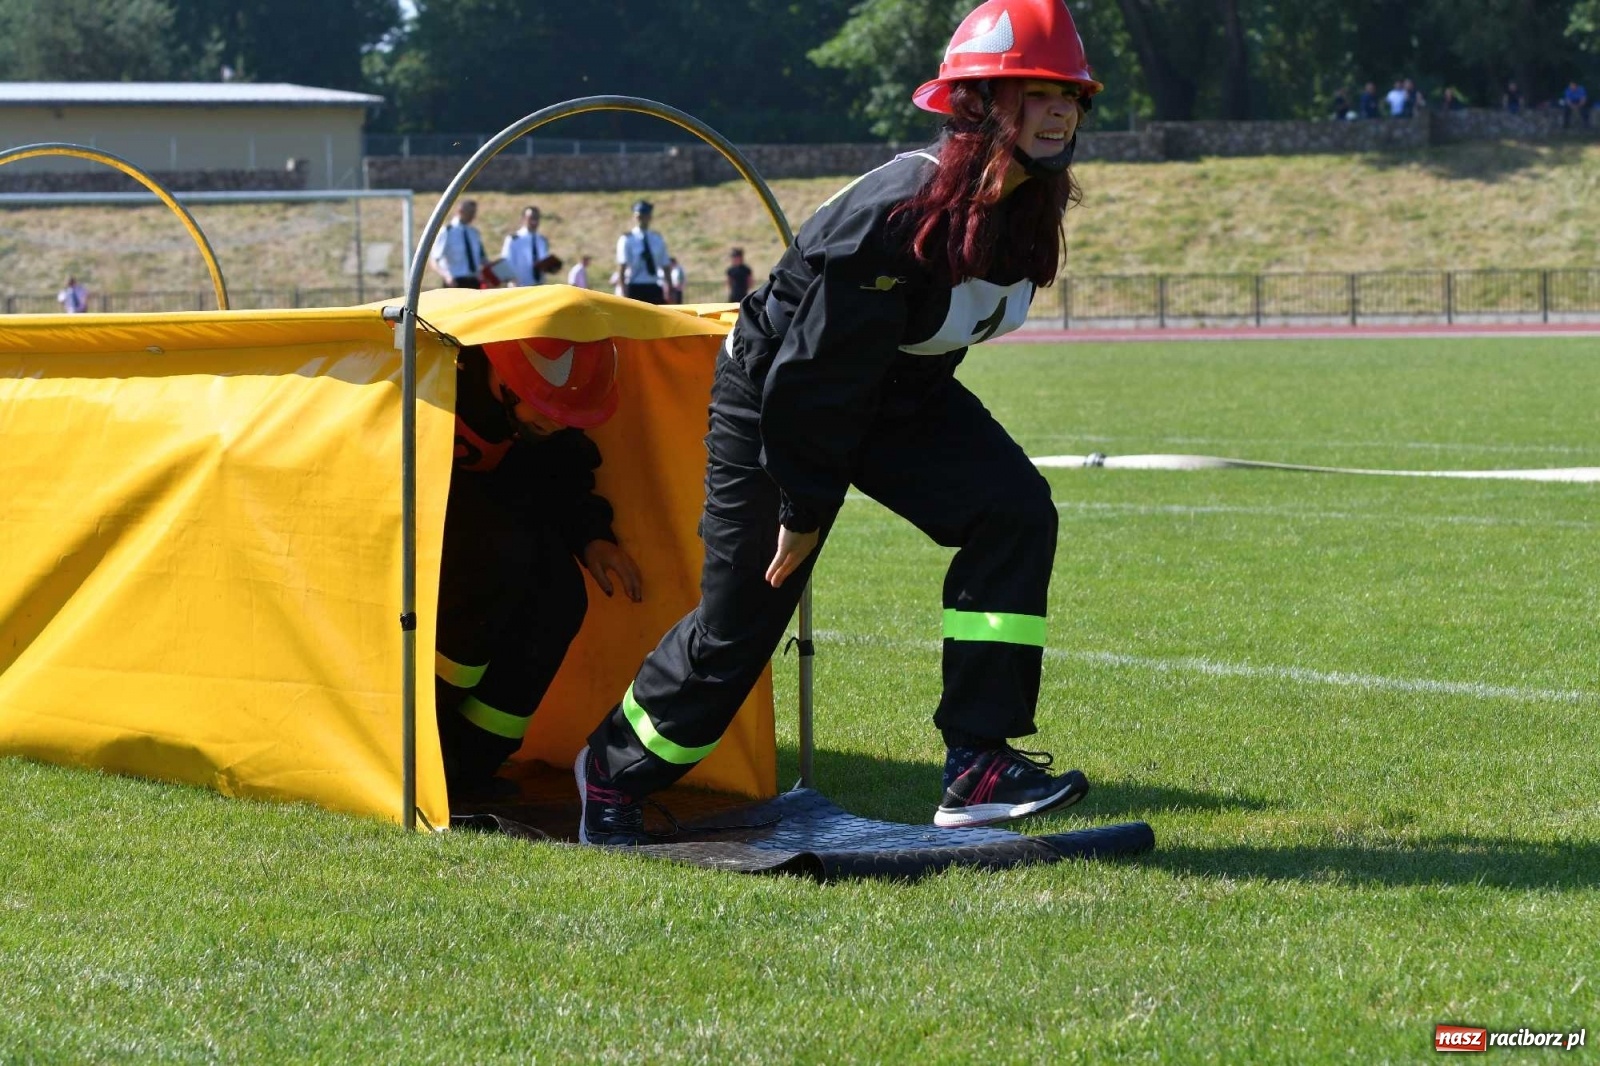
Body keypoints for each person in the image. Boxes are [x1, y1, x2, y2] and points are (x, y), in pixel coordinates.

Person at [575, 0, 1096, 845]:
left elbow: (899, 358)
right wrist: (804, 505)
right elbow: (813, 376)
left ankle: (977, 764)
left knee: (1013, 510)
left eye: (1070, 93)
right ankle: (612, 767)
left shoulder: (1024, 206)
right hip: (780, 394)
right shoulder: (899, 215)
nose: (1060, 110)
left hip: (897, 391)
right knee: (744, 618)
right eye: (1033, 92)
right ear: (974, 105)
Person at [436, 334, 644, 803]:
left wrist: (592, 536)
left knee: (560, 596)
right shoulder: (434, 374)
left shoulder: (549, 421)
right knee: (493, 565)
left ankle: (469, 766)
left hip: (495, 546)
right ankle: (414, 748)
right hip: (423, 548)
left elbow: (564, 472)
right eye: (544, 407)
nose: (556, 420)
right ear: (503, 379)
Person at [616, 200, 669, 304]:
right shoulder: (627, 239)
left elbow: (665, 265)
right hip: (634, 286)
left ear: (649, 217)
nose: (641, 219)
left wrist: (669, 288)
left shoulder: (657, 238)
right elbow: (622, 267)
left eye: (644, 216)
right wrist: (623, 291)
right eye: (638, 216)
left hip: (654, 286)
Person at [431, 200, 489, 289]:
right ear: (460, 211)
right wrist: (447, 276)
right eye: (470, 212)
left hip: (474, 282)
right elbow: (434, 260)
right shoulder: (447, 231)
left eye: (474, 212)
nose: (473, 216)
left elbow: (483, 259)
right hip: (455, 283)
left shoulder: (474, 232)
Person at [500, 205, 562, 287]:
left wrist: (551, 267)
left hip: (539, 286)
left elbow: (543, 262)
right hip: (519, 287)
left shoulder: (542, 240)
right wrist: (512, 280)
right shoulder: (513, 239)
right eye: (531, 218)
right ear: (523, 219)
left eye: (537, 218)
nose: (534, 222)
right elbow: (506, 262)